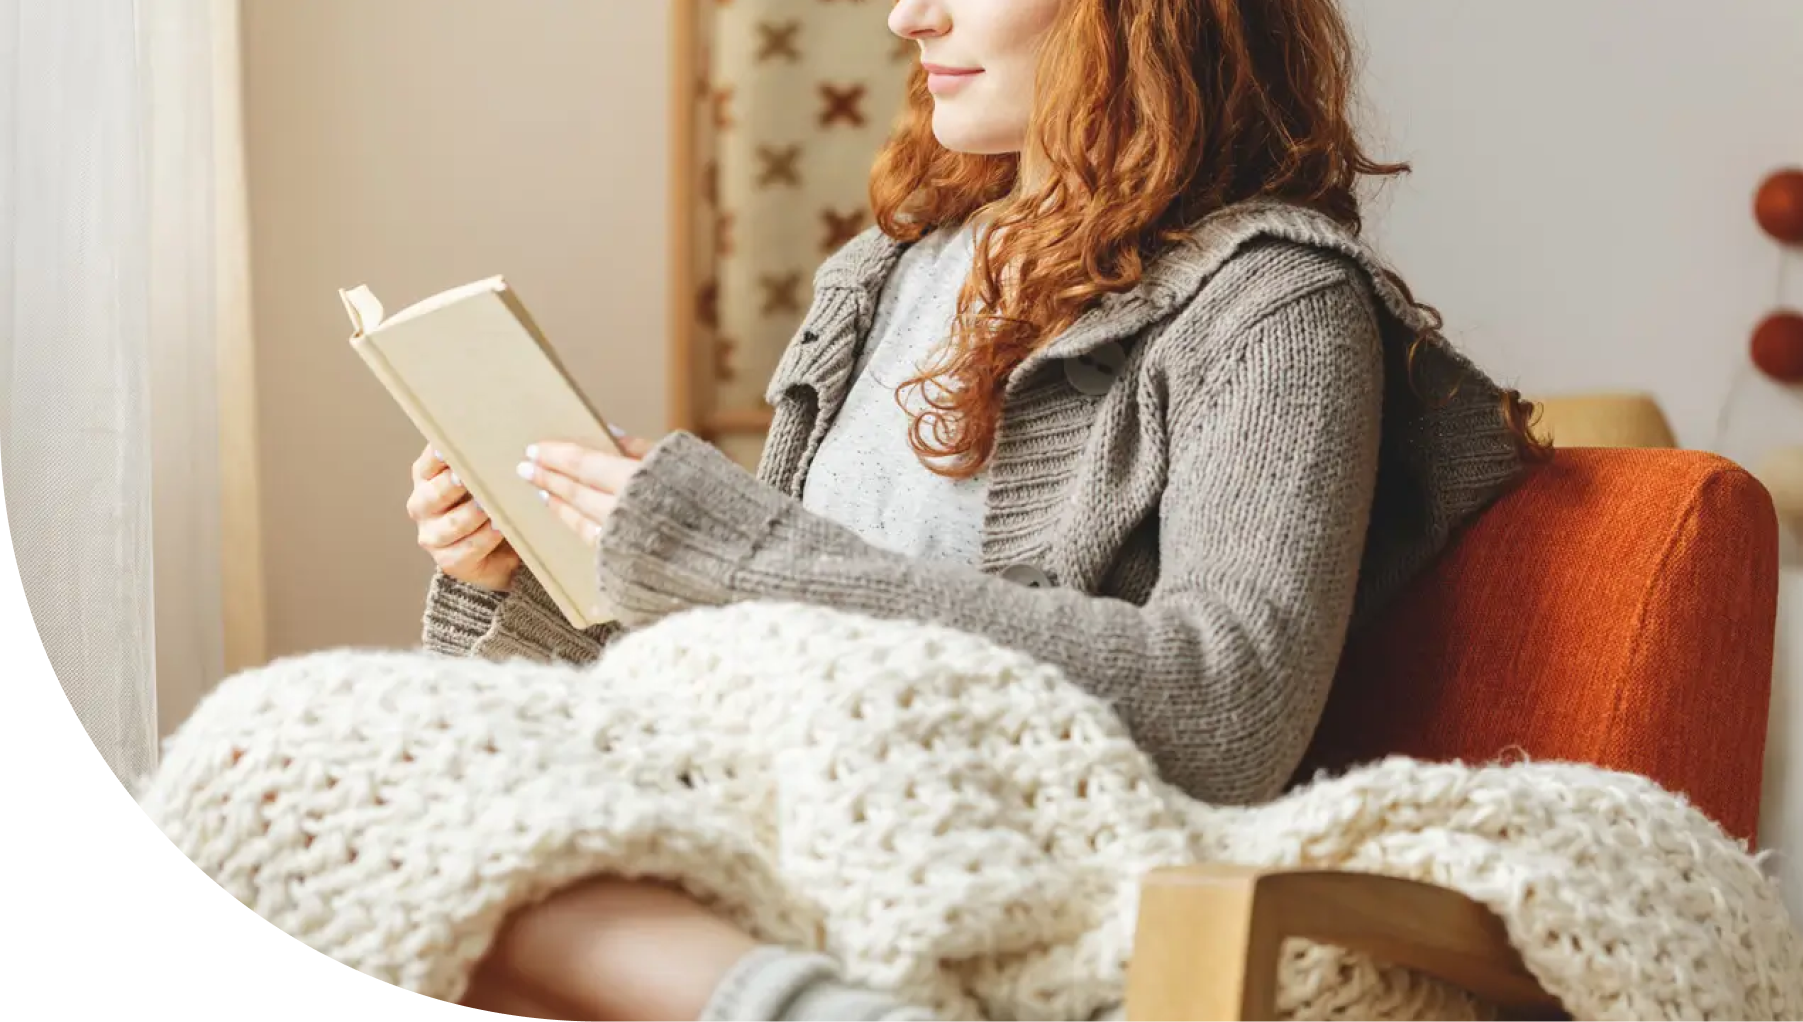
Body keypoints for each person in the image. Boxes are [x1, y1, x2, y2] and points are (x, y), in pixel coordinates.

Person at [401, 0, 1547, 1018]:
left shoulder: (1272, 305)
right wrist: (532, 572)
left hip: (1012, 868)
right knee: (315, 753)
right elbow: (764, 648)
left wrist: (737, 551)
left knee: (372, 803)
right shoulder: (882, 276)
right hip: (771, 817)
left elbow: (1228, 706)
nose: (907, 18)